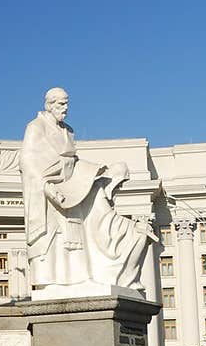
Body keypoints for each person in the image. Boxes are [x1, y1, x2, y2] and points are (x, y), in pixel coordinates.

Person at [19, 87, 155, 295]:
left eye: (66, 103)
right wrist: (48, 188)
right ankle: (53, 283)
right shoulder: (36, 127)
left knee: (73, 239)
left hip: (72, 191)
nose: (65, 108)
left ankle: (74, 280)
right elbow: (29, 163)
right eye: (61, 104)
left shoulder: (68, 131)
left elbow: (72, 161)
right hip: (50, 194)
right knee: (55, 238)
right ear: (49, 105)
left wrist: (90, 173)